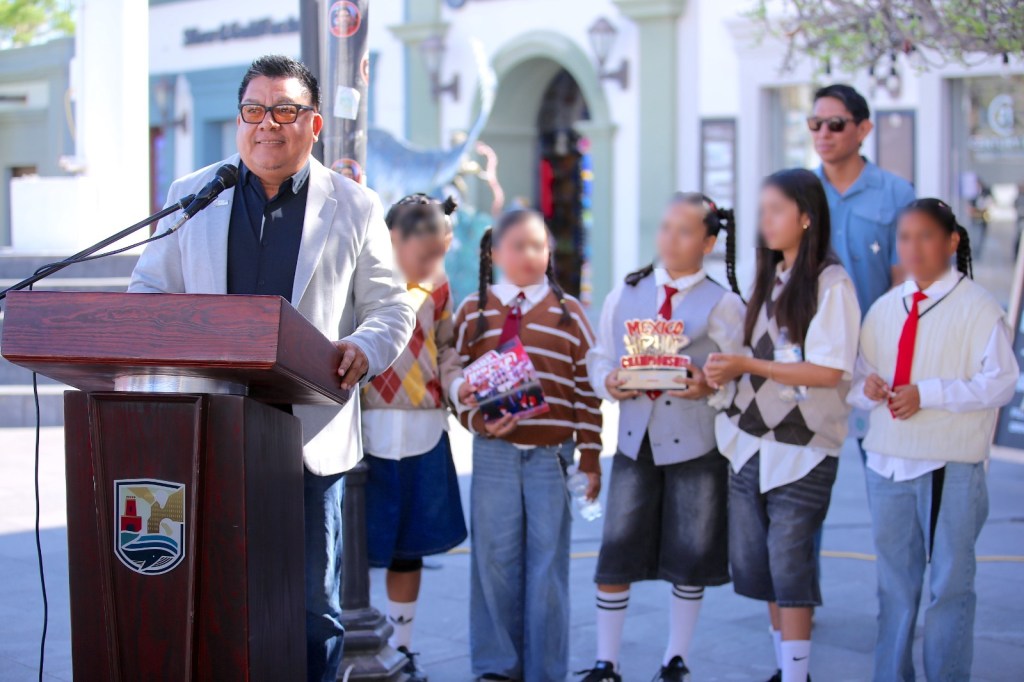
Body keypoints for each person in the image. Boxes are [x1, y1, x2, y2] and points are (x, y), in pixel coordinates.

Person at [128, 55, 415, 682]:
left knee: (314, 611)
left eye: (285, 111)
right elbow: (149, 290)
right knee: (213, 595)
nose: (268, 125)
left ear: (313, 125)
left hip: (308, 436)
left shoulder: (356, 205)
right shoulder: (193, 194)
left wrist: (365, 348)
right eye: (255, 111)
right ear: (238, 121)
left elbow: (392, 306)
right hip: (208, 432)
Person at [579, 193, 746, 682]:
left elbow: (736, 372)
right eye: (665, 227)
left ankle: (676, 658)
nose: (670, 239)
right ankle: (605, 661)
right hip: (634, 440)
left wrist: (709, 386)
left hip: (696, 442)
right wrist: (606, 382)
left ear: (709, 241)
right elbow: (600, 356)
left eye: (685, 230)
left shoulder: (725, 302)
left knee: (690, 551)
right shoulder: (628, 291)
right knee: (616, 549)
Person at [850, 199, 1018, 682]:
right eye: (905, 237)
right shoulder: (884, 307)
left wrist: (930, 393)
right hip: (885, 463)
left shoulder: (979, 307)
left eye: (926, 236)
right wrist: (870, 388)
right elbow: (858, 381)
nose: (914, 247)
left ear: (952, 241)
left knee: (949, 587)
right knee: (894, 588)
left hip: (949, 464)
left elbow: (1002, 383)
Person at [704, 169, 861, 682]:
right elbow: (752, 352)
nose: (765, 220)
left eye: (776, 209)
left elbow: (829, 371)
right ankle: (784, 670)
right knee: (762, 569)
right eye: (762, 209)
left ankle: (797, 676)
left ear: (807, 217)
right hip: (751, 444)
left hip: (805, 447)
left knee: (790, 567)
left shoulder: (831, 283)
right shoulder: (771, 277)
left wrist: (747, 366)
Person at [451, 209, 603, 682]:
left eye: (540, 246)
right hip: (492, 455)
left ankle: (545, 670)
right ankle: (497, 667)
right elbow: (454, 379)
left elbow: (586, 387)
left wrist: (592, 456)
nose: (531, 255)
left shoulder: (570, 313)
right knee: (493, 562)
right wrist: (475, 415)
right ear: (495, 252)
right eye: (519, 245)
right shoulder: (473, 310)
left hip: (551, 458)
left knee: (547, 569)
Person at [361, 194, 468, 682]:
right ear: (393, 239)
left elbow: (445, 345)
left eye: (440, 252)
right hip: (366, 428)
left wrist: (460, 387)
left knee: (409, 549)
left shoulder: (439, 284)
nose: (434, 263)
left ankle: (403, 648)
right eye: (426, 253)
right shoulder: (363, 279)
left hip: (425, 426)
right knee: (357, 547)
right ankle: (354, 641)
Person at [810, 83, 916, 315]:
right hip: (808, 341)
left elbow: (906, 277)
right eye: (815, 124)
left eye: (835, 124)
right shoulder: (799, 192)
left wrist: (878, 332)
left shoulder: (897, 194)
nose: (823, 134)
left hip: (876, 338)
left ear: (863, 129)